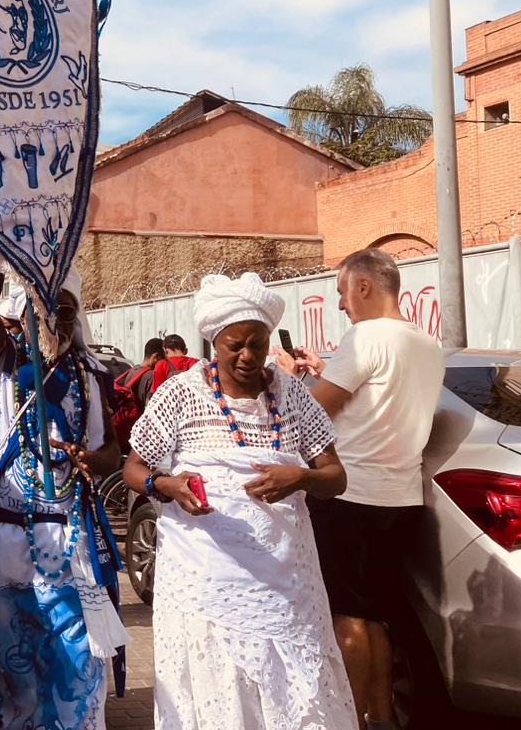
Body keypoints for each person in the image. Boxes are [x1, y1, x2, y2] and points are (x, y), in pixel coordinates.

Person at [123, 272, 355, 730]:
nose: (248, 356)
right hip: (205, 582)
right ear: (214, 342)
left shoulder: (293, 397)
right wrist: (167, 486)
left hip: (286, 582)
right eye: (235, 345)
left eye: (258, 343)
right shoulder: (179, 394)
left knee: (294, 690)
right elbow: (134, 469)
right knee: (218, 691)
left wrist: (301, 477)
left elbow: (336, 477)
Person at [0, 271, 126, 730]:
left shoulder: (89, 374)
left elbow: (109, 449)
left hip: (70, 539)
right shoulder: (0, 363)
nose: (55, 317)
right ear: (24, 313)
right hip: (7, 543)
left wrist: (93, 458)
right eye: (43, 306)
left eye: (65, 308)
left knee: (79, 664)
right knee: (14, 676)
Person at [278, 248, 444, 729]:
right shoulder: (426, 343)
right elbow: (375, 399)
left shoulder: (365, 336)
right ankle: (382, 718)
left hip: (350, 495)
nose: (341, 306)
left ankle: (349, 718)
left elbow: (313, 416)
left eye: (342, 294)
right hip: (401, 497)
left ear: (365, 287)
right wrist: (323, 371)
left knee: (348, 619)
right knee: (375, 615)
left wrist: (293, 381)